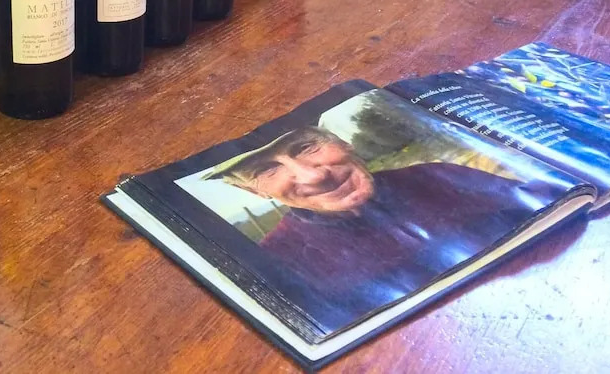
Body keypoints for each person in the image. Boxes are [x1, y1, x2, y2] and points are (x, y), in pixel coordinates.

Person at [203, 127, 560, 332]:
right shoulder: (279, 262)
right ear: (256, 193)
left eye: (307, 147)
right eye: (268, 171)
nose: (313, 175)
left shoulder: (432, 174)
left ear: (340, 141)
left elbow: (549, 210)